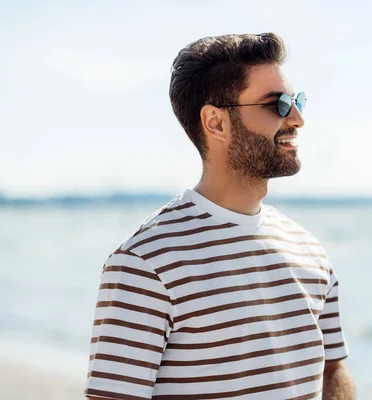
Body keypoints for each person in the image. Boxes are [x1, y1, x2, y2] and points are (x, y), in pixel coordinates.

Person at [85, 32, 354, 400]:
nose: (297, 118)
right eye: (277, 104)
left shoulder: (309, 250)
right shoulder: (145, 264)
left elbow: (332, 370)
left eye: (298, 101)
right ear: (216, 123)